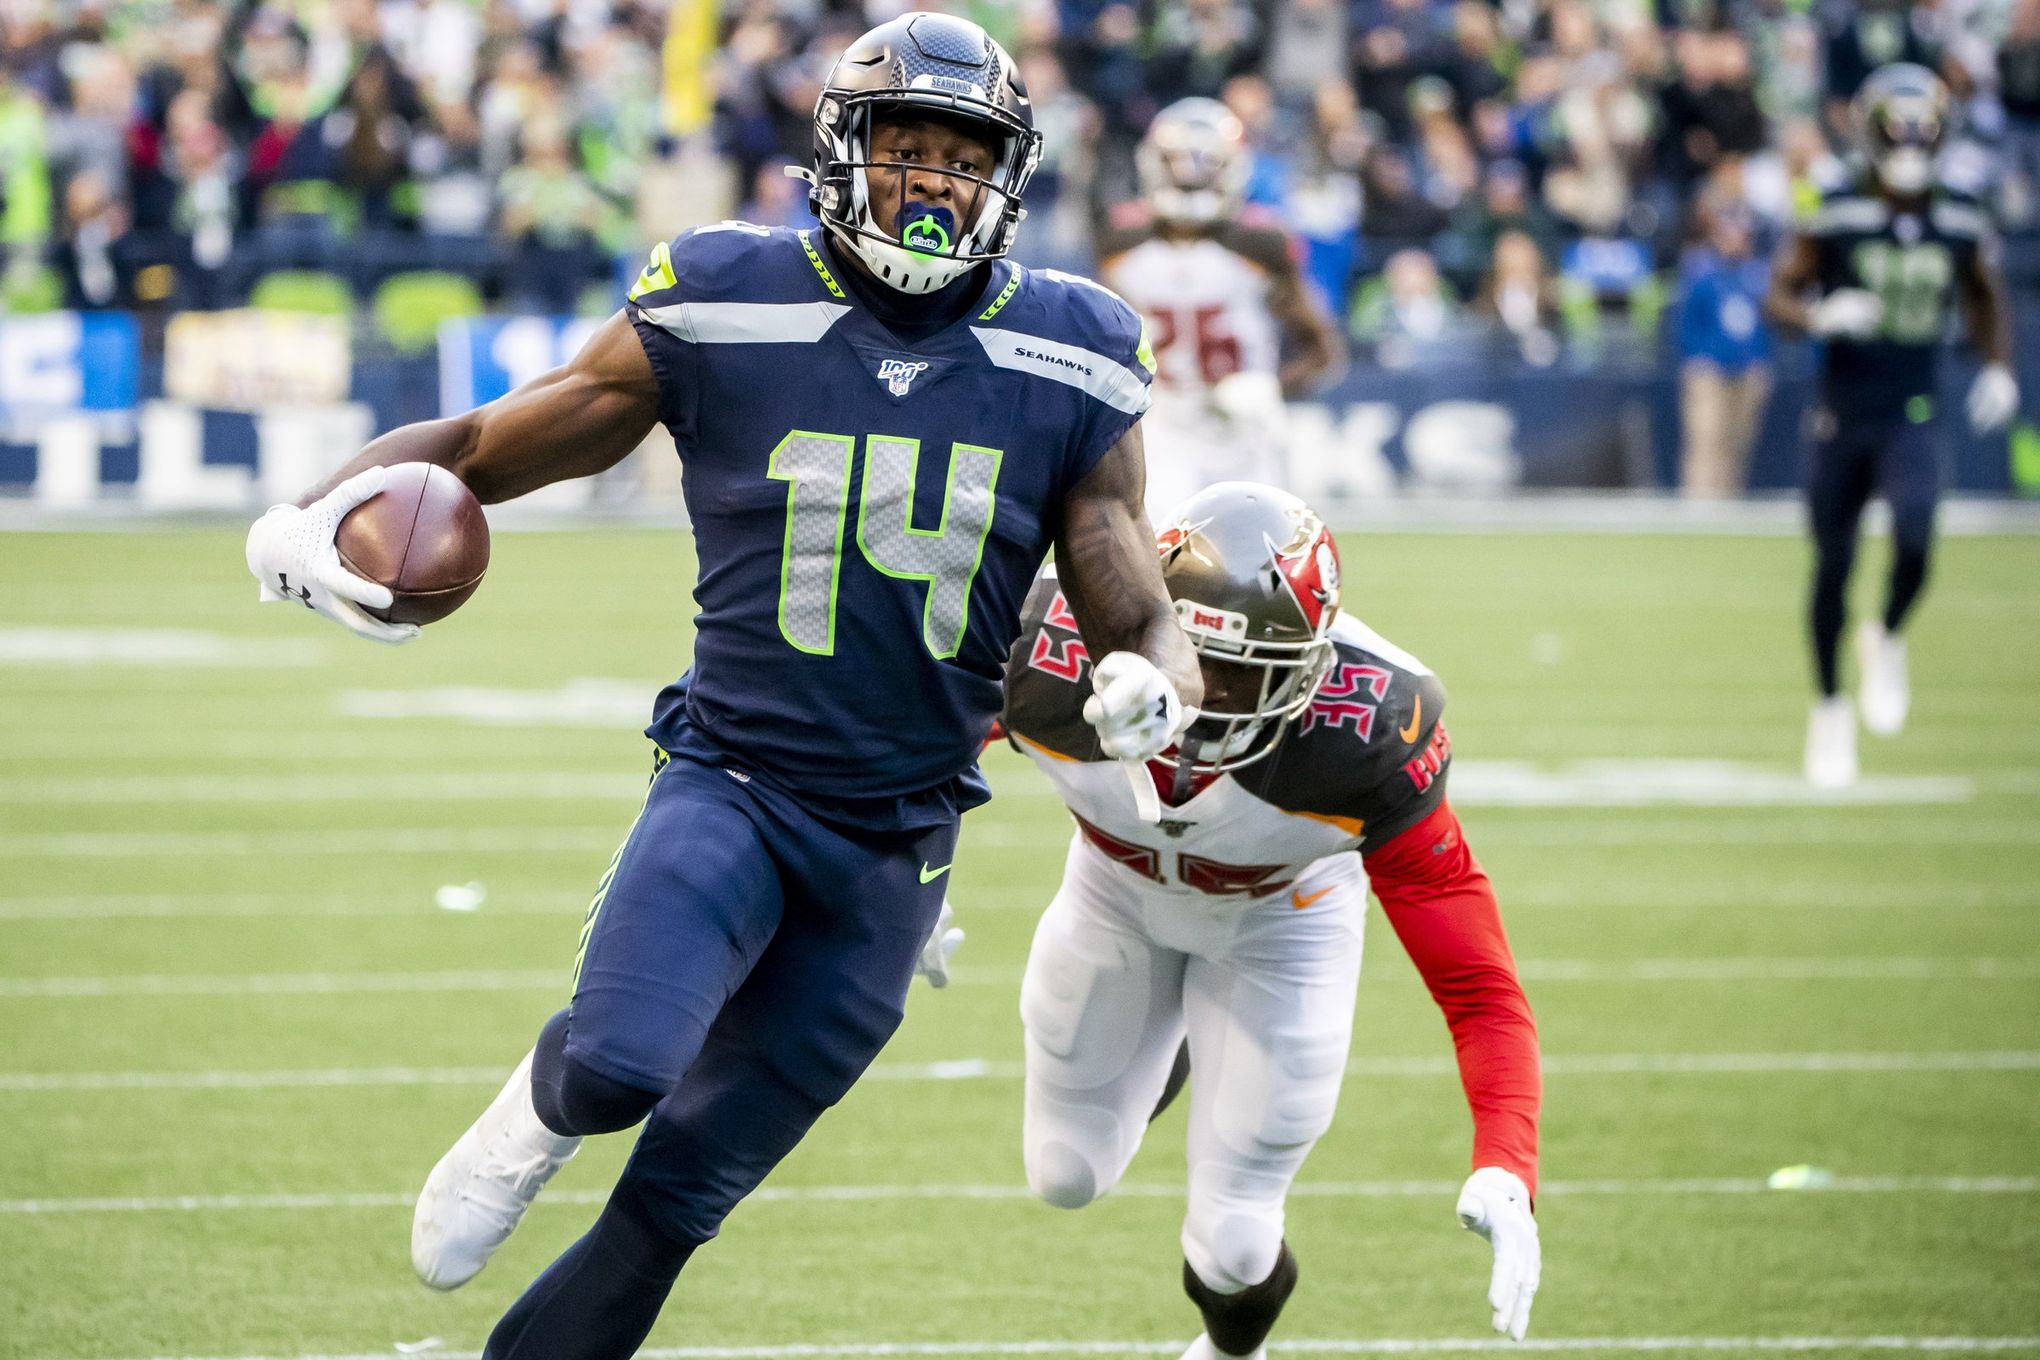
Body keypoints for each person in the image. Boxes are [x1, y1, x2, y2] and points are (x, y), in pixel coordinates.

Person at [241, 15, 1203, 1358]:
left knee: (680, 1202)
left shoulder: (1073, 343)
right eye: (907, 148)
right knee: (621, 1067)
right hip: (737, 784)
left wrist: (1151, 679)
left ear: (1008, 175)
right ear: (842, 154)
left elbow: (1120, 570)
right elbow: (489, 441)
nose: (933, 182)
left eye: (962, 157)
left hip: (901, 843)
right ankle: (532, 1113)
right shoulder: (730, 295)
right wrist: (307, 512)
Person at [998, 482, 1543, 1358]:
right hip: (1116, 899)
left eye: (1248, 673)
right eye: (1198, 660)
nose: (1214, 699)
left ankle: (1227, 1351)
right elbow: (908, 745)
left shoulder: (1368, 729)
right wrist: (902, 880)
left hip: (1281, 928)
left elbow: (1479, 987)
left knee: (1237, 1239)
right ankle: (1170, 1042)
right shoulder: (1048, 647)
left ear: (1314, 666)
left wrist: (1507, 1164)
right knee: (1065, 1172)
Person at [1764, 63, 2017, 788]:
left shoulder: (1961, 214)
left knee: (1915, 541)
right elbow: (1779, 291)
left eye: (1921, 127)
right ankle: (1831, 709)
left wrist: (1997, 365)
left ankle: (1890, 633)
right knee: (1833, 567)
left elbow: (1985, 296)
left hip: (1913, 406)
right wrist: (1818, 314)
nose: (1909, 140)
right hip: (1843, 411)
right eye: (1897, 127)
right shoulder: (1836, 207)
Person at [1096, 97, 1343, 519]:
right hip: (1163, 428)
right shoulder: (1122, 244)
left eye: (1204, 163)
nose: (1190, 176)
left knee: (1262, 567)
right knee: (1162, 555)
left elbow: (1323, 351)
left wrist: (1270, 388)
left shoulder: (1261, 246)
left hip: (1249, 434)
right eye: (1178, 161)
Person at [1675, 198, 1772, 498]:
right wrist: (1697, 359)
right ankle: (1700, 508)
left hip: (1748, 370)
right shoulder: (1702, 273)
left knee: (1737, 445)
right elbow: (1686, 324)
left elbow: (1767, 322)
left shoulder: (1757, 274)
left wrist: (1760, 360)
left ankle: (1730, 508)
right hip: (1709, 372)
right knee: (1706, 442)